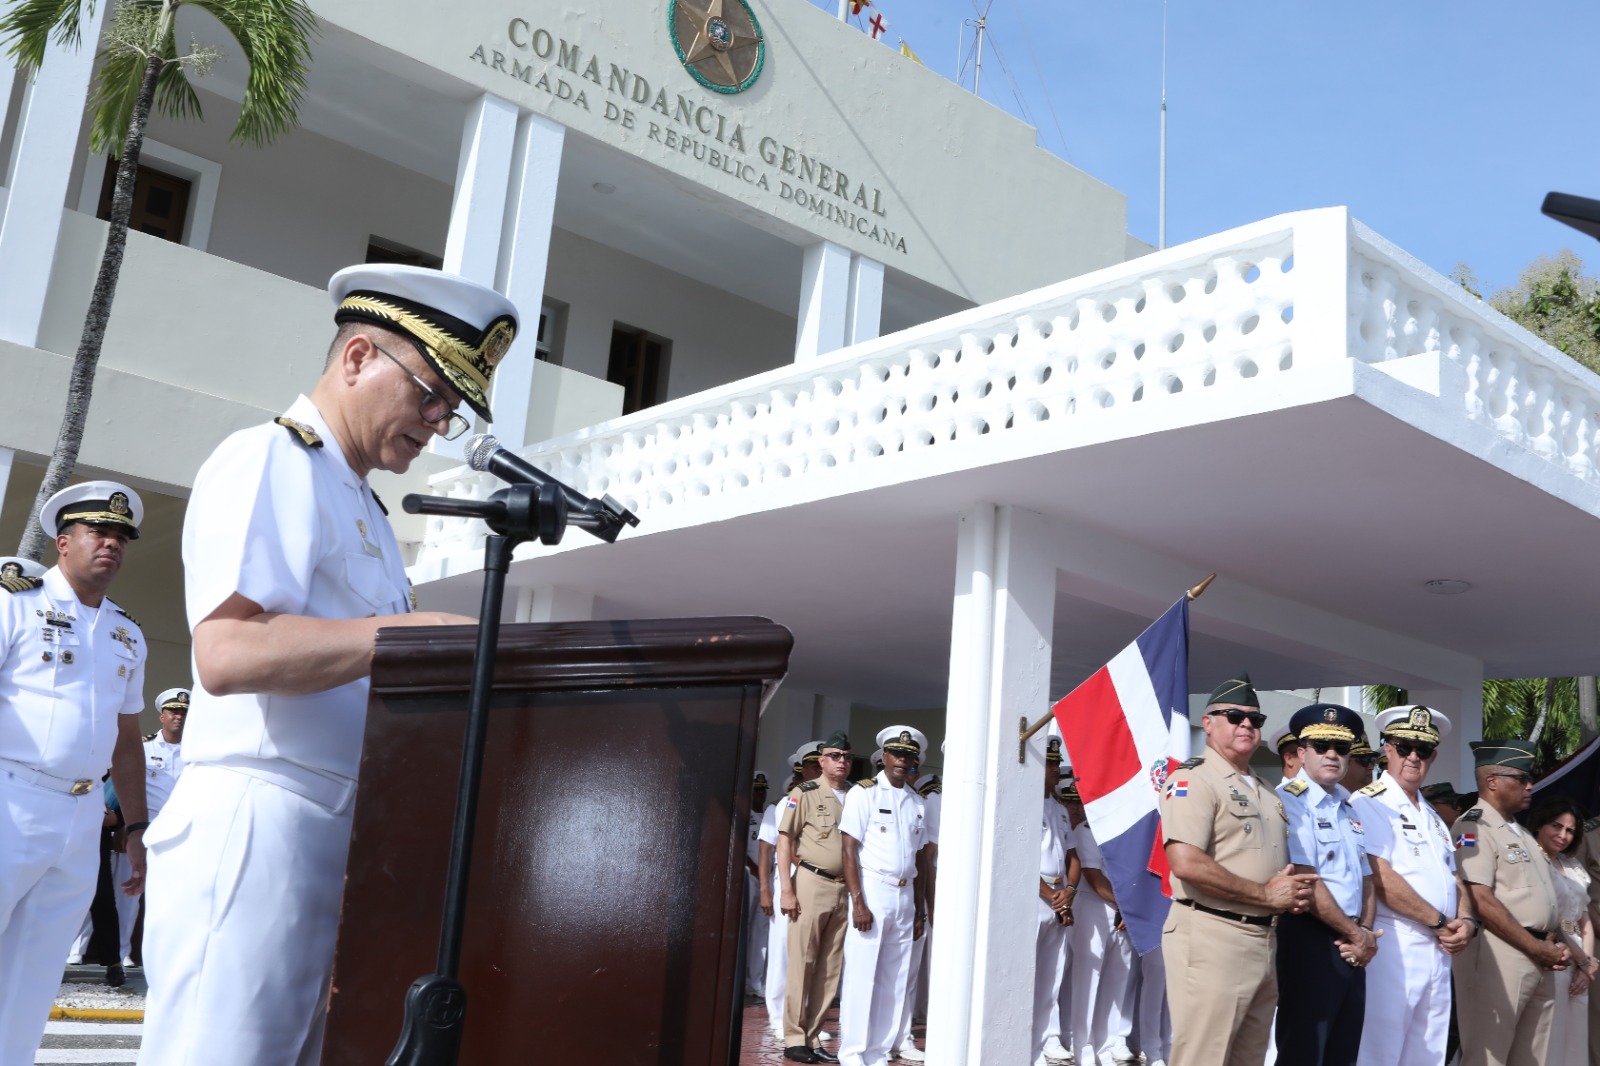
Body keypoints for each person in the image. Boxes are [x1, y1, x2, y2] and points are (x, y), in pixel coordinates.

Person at [138, 265, 516, 1066]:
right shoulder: (270, 459)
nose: (439, 420)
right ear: (356, 358)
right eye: (430, 392)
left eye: (453, 407)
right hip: (259, 818)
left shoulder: (367, 510)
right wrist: (406, 637)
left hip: (339, 833)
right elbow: (229, 651)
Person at [0, 481, 150, 1064]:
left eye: (121, 536)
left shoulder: (126, 632)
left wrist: (135, 829)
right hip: (11, 799)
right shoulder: (17, 600)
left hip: (83, 817)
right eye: (98, 532)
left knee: (34, 975)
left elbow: (127, 739)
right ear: (63, 541)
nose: (111, 543)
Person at [1159, 671, 1317, 1066]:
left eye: (1255, 719)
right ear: (1208, 723)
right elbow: (1186, 862)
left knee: (1248, 1059)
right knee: (1202, 1057)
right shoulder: (1194, 779)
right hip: (1213, 933)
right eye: (1234, 716)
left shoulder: (1264, 789)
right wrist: (1265, 894)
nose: (1246, 723)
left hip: (1263, 937)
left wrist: (1289, 890)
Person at [1352, 705, 1476, 1066]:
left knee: (1428, 1053)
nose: (1413, 757)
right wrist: (1440, 921)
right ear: (1387, 748)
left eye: (1422, 750)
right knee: (1380, 1051)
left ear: (1433, 755)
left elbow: (1454, 877)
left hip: (1439, 947)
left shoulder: (1435, 816)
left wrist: (1466, 922)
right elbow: (1380, 876)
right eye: (1404, 746)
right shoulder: (1368, 803)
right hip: (1396, 942)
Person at [1273, 703, 1378, 1066]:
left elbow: (1366, 878)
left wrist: (1363, 931)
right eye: (1321, 747)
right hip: (1310, 935)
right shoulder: (1289, 801)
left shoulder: (1349, 806)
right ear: (1301, 753)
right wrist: (1356, 934)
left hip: (1350, 940)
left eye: (1342, 749)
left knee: (1342, 1049)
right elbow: (1306, 879)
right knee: (1305, 1048)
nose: (1332, 755)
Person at [1455, 739, 1566, 1066]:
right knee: (1488, 1055)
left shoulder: (1519, 831)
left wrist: (1557, 946)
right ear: (1492, 782)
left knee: (1533, 1057)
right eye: (1521, 778)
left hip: (1539, 953)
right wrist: (1534, 948)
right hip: (1500, 955)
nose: (1530, 786)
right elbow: (1481, 900)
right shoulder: (1474, 825)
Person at [838, 726, 932, 1066]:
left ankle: (878, 1051)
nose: (902, 760)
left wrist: (920, 909)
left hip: (906, 897)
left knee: (895, 979)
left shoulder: (918, 802)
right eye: (897, 753)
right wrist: (858, 901)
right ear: (884, 757)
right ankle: (852, 1052)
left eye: (909, 755)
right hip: (873, 891)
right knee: (863, 976)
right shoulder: (864, 794)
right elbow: (848, 849)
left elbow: (921, 858)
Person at [778, 733, 854, 1064]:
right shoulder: (804, 793)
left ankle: (813, 1037)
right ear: (821, 760)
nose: (842, 761)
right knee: (802, 964)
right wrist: (786, 889)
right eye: (835, 755)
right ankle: (795, 1038)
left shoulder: (857, 796)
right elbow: (784, 841)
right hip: (811, 882)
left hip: (844, 889)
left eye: (847, 757)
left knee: (830, 968)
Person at [109, 686, 189, 971]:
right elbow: (122, 788)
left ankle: (167, 959)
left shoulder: (198, 753)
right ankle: (122, 953)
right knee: (128, 898)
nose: (179, 717)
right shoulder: (143, 748)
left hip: (184, 835)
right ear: (161, 716)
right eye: (174, 711)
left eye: (184, 712)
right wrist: (122, 826)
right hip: (144, 831)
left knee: (176, 900)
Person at [1522, 797, 1596, 1066]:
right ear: (1540, 824)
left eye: (1570, 830)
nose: (1562, 835)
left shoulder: (1573, 865)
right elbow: (1551, 919)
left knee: (1573, 1032)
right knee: (1546, 1033)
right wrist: (1583, 960)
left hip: (1579, 963)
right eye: (1556, 826)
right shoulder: (1529, 860)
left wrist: (1586, 966)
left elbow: (1584, 919)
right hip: (1552, 952)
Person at [1033, 738, 1079, 1066]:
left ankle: (1044, 1041)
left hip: (1059, 897)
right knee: (1030, 974)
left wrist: (1070, 891)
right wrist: (1052, 897)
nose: (1054, 770)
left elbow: (1073, 856)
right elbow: (1021, 858)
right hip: (1035, 898)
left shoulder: (1061, 809)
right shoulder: (1024, 805)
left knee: (1052, 975)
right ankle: (1023, 1041)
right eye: (1049, 765)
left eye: (1055, 764)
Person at [763, 751, 815, 1042]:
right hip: (791, 883)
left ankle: (800, 1017)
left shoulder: (828, 802)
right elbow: (777, 847)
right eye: (809, 767)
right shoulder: (787, 802)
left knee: (807, 955)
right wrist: (768, 889)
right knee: (783, 952)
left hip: (815, 886)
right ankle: (776, 1015)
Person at [748, 771, 772, 997]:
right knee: (745, 929)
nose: (760, 794)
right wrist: (756, 870)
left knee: (761, 931)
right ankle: (744, 978)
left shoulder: (768, 816)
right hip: (749, 877)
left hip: (767, 879)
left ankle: (756, 980)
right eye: (757, 789)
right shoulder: (744, 817)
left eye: (763, 790)